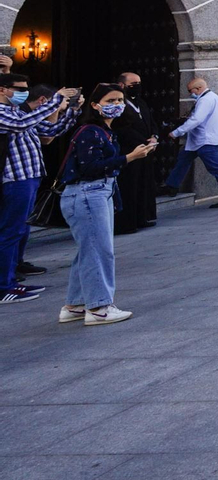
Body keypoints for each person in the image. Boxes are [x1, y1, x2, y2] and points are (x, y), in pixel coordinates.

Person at [58, 83, 157, 324]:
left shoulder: (105, 131)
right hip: (88, 193)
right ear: (95, 105)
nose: (117, 105)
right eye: (110, 101)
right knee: (99, 251)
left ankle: (76, 304)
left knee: (88, 250)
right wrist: (130, 157)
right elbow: (90, 167)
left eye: (119, 100)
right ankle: (99, 307)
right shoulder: (90, 131)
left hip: (95, 193)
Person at [0, 75, 75, 305]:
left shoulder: (18, 112)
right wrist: (55, 101)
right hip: (15, 179)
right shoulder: (4, 113)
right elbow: (22, 125)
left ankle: (12, 279)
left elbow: (48, 132)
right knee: (10, 232)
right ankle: (4, 286)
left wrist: (71, 111)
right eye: (19, 89)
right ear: (3, 89)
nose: (24, 93)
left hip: (30, 176)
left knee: (21, 231)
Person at [159, 77, 218, 209]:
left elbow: (196, 120)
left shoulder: (206, 100)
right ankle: (172, 185)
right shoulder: (214, 98)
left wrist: (177, 132)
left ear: (199, 88)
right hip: (199, 140)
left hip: (206, 141)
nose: (190, 94)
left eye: (191, 91)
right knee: (183, 159)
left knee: (217, 169)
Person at [111, 71, 159, 234]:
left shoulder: (140, 102)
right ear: (122, 85)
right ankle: (127, 222)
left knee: (144, 184)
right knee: (129, 186)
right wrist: (142, 142)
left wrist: (153, 137)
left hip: (145, 151)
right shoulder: (117, 104)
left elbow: (151, 122)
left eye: (139, 83)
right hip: (129, 151)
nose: (137, 87)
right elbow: (121, 128)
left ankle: (143, 217)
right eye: (133, 84)